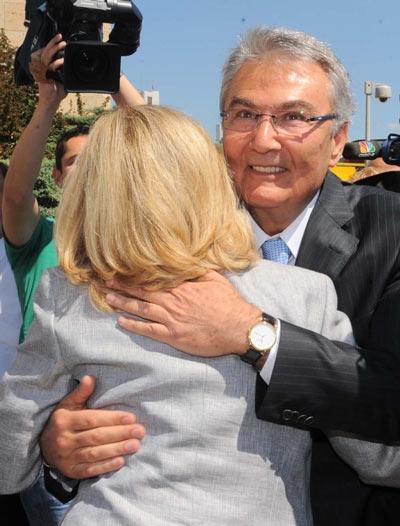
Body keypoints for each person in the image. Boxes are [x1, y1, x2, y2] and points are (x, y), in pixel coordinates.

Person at [41, 26, 400, 526]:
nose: (264, 140)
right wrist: (57, 447)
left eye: (294, 117)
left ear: (338, 139)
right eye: (245, 115)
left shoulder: (391, 233)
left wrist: (255, 335)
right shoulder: (161, 239)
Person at [0, 104, 359, 525]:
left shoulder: (69, 295)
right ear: (211, 181)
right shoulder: (303, 294)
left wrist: (47, 444)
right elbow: (379, 453)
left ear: (91, 194)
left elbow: (9, 460)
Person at [1, 33, 146, 525]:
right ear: (59, 178)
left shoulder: (139, 240)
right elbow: (15, 195)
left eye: (96, 160)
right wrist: (47, 101)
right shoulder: (38, 238)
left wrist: (110, 75)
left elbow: (163, 150)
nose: (86, 170)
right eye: (73, 161)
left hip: (125, 432)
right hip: (50, 443)